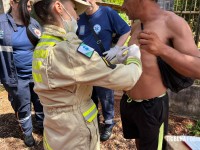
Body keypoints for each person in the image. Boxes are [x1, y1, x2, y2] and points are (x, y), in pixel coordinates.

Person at [32, 0, 142, 149]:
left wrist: (115, 57)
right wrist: (134, 58)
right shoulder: (69, 49)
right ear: (59, 7)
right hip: (76, 135)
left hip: (56, 132)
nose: (77, 16)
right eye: (74, 8)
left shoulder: (44, 45)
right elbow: (127, 79)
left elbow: (79, 68)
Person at [118, 0, 200, 149]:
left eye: (125, 0)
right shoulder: (136, 25)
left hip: (152, 108)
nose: (123, 6)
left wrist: (162, 49)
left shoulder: (173, 23)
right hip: (130, 104)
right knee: (139, 145)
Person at [77, 0, 131, 141]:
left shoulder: (107, 13)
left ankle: (108, 123)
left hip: (103, 64)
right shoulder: (79, 16)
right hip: (85, 66)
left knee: (106, 96)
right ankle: (93, 120)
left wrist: (116, 48)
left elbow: (125, 30)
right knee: (89, 95)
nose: (86, 2)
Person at [0, 0, 44, 147]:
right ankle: (27, 133)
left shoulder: (33, 23)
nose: (29, 6)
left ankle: (42, 124)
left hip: (37, 75)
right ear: (13, 3)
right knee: (23, 105)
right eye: (26, 3)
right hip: (16, 77)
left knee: (40, 101)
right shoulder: (1, 24)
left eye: (30, 3)